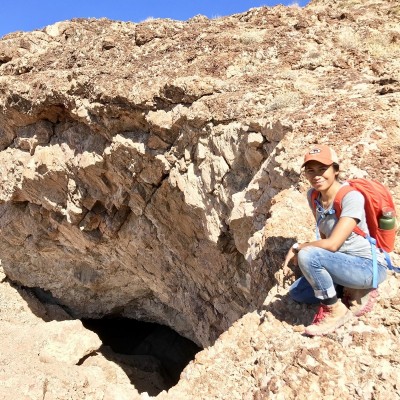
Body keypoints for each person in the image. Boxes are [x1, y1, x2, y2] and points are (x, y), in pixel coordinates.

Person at [282, 144, 387, 336]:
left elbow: (332, 244)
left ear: (336, 170)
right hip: (340, 261)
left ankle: (334, 310)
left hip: (366, 267)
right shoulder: (313, 196)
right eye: (310, 170)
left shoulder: (351, 197)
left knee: (308, 255)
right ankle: (344, 288)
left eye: (323, 169)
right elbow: (325, 237)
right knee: (298, 293)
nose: (316, 175)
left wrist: (299, 247)